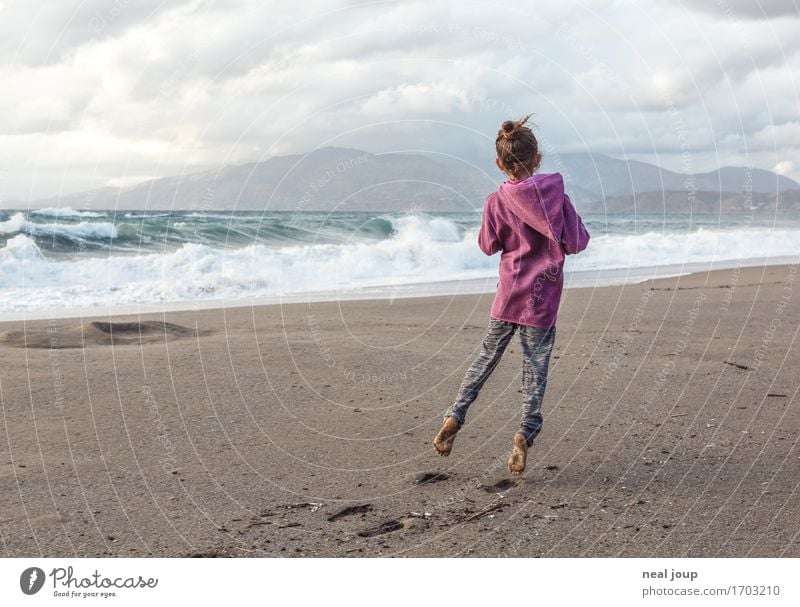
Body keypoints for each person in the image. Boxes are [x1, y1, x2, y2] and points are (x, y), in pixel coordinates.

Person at [432, 115, 590, 475]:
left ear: (500, 164)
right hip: (543, 299)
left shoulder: (495, 201)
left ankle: (455, 415)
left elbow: (488, 246)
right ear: (538, 159)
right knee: (535, 369)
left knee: (486, 358)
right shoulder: (558, 198)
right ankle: (524, 434)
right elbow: (577, 242)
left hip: (508, 295)